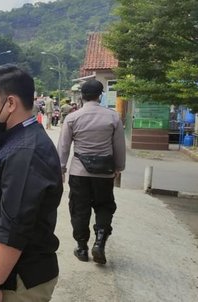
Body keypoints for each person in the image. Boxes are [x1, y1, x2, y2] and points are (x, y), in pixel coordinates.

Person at [0, 65, 63, 302]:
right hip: (10, 277)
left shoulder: (25, 151)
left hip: (19, 281)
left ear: (10, 104)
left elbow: (15, 227)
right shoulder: (16, 139)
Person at [57, 79, 126, 265]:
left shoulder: (72, 118)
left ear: (82, 96)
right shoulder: (113, 117)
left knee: (79, 209)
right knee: (104, 206)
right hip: (105, 173)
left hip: (79, 172)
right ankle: (100, 242)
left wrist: (61, 168)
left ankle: (81, 247)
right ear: (100, 95)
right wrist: (118, 167)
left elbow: (63, 147)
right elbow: (119, 146)